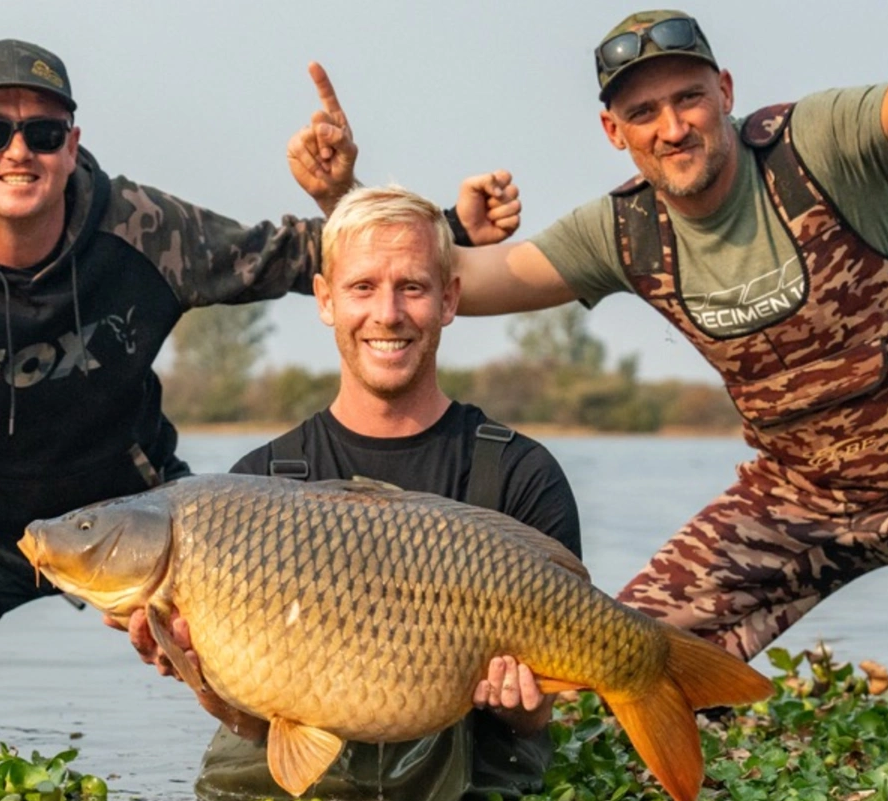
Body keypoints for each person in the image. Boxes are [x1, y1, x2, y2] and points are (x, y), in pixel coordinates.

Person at [0, 39, 520, 777]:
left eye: (44, 133)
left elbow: (295, 255)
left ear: (72, 146)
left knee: (284, 700)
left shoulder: (136, 226)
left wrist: (448, 226)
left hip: (147, 520)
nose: (19, 151)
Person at [320, 3, 888, 756]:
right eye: (643, 111)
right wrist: (356, 200)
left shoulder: (820, 148)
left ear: (725, 92)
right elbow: (452, 283)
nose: (672, 128)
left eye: (688, 99)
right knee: (613, 663)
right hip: (801, 492)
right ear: (616, 132)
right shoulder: (625, 229)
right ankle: (715, 726)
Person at [121, 185, 581, 801]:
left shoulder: (519, 473)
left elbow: (536, 718)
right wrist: (197, 675)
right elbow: (252, 723)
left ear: (449, 300)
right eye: (362, 287)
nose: (387, 314)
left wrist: (521, 704)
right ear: (325, 300)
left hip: (468, 771)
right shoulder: (257, 484)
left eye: (412, 287)